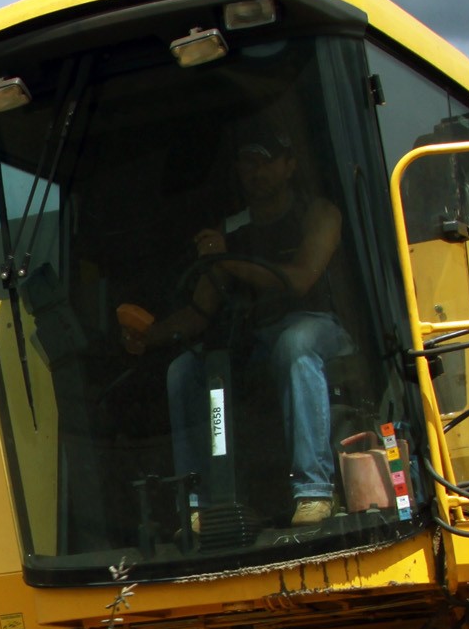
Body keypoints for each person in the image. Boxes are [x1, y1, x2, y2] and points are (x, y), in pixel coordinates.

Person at [119, 119, 349, 530]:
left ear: (290, 165)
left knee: (295, 343)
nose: (257, 172)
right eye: (248, 163)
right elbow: (199, 313)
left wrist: (227, 259)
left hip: (320, 327)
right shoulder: (231, 229)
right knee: (185, 370)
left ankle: (314, 490)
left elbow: (301, 279)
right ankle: (201, 504)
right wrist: (148, 336)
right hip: (255, 338)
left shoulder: (318, 213)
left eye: (266, 161)